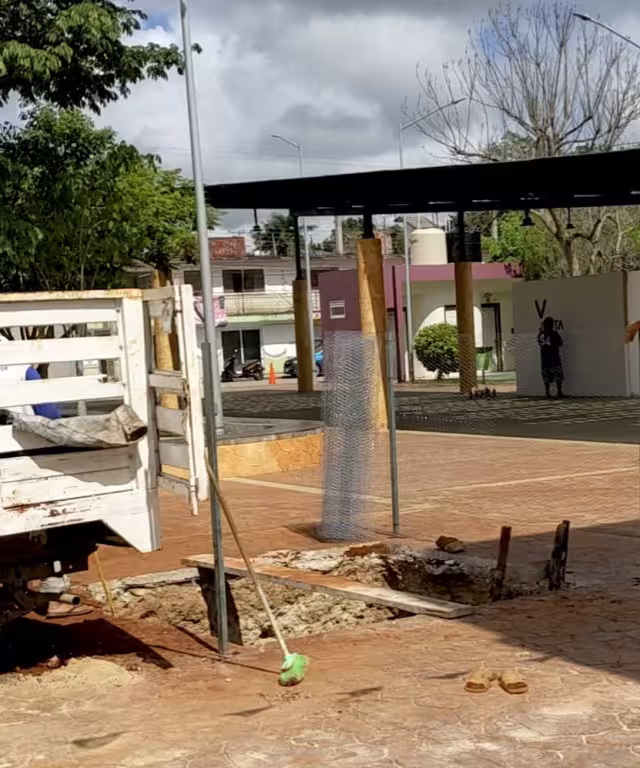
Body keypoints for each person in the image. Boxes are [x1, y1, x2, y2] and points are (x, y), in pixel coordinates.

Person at [0, 337, 89, 618]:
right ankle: (53, 589)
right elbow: (50, 418)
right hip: (24, 466)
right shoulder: (22, 369)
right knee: (63, 505)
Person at [537, 316, 564, 399]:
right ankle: (559, 392)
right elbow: (560, 342)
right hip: (554, 358)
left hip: (545, 359)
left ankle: (547, 393)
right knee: (558, 375)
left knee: (546, 377)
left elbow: (539, 343)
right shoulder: (554, 333)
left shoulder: (541, 334)